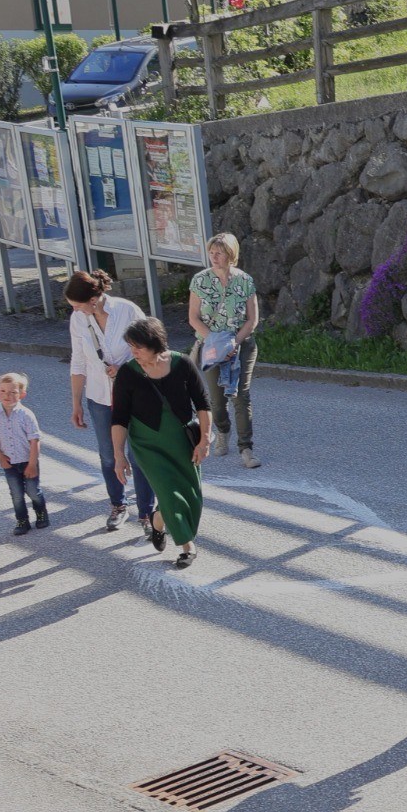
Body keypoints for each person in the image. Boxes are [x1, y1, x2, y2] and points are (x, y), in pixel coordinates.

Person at [111, 319, 212, 569]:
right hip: (147, 444)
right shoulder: (128, 373)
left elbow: (203, 403)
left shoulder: (182, 363)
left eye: (139, 347)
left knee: (191, 494)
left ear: (155, 344)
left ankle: (158, 520)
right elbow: (119, 418)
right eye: (131, 346)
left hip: (182, 438)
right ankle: (187, 546)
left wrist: (205, 440)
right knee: (169, 492)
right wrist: (119, 455)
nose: (134, 352)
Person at [66, 270, 157, 537]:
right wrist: (76, 402)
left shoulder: (127, 311)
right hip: (99, 397)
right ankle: (118, 505)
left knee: (138, 456)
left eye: (78, 305)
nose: (75, 311)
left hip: (134, 395)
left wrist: (126, 367)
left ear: (94, 299)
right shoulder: (78, 319)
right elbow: (78, 361)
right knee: (108, 454)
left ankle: (146, 512)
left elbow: (153, 348)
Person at [188, 232, 263, 469]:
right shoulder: (200, 281)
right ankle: (222, 431)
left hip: (241, 345)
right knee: (217, 400)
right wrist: (216, 342)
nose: (214, 256)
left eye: (218, 252)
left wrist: (235, 343)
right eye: (211, 252)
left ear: (230, 255)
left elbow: (252, 319)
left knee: (241, 396)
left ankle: (246, 448)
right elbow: (193, 317)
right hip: (211, 347)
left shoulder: (244, 281)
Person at [0, 372, 49, 535]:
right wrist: (0, 458)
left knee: (33, 491)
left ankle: (41, 512)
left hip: (27, 460)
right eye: (3, 391)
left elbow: (34, 440)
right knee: (16, 493)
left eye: (13, 392)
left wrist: (32, 464)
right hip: (9, 462)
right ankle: (22, 520)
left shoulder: (26, 415)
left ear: (22, 395)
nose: (7, 396)